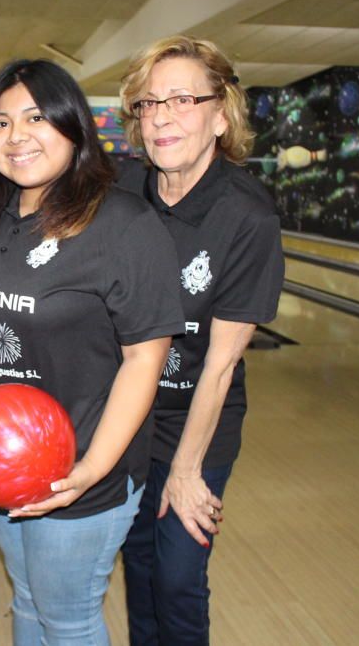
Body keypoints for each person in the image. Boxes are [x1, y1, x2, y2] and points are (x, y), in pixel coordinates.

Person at [0, 59, 185, 645]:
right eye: (1, 122)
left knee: (67, 618)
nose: (16, 137)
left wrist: (91, 470)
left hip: (80, 466)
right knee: (29, 602)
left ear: (73, 126)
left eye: (37, 117)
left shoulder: (123, 224)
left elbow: (146, 359)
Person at [117, 35, 285, 645]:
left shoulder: (247, 217)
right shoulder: (124, 194)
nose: (162, 116)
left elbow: (219, 366)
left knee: (179, 574)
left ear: (221, 115)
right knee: (138, 563)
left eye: (183, 100)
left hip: (201, 418)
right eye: (149, 102)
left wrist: (187, 471)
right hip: (130, 415)